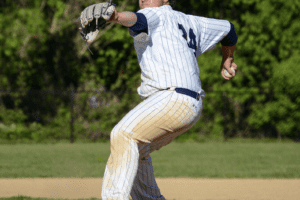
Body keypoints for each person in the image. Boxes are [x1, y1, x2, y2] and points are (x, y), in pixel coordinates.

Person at [86, 0, 237, 199]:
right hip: (188, 103)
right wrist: (228, 58)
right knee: (136, 150)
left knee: (123, 135)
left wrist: (115, 17)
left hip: (172, 97)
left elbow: (136, 19)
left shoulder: (157, 14)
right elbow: (229, 30)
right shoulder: (192, 21)